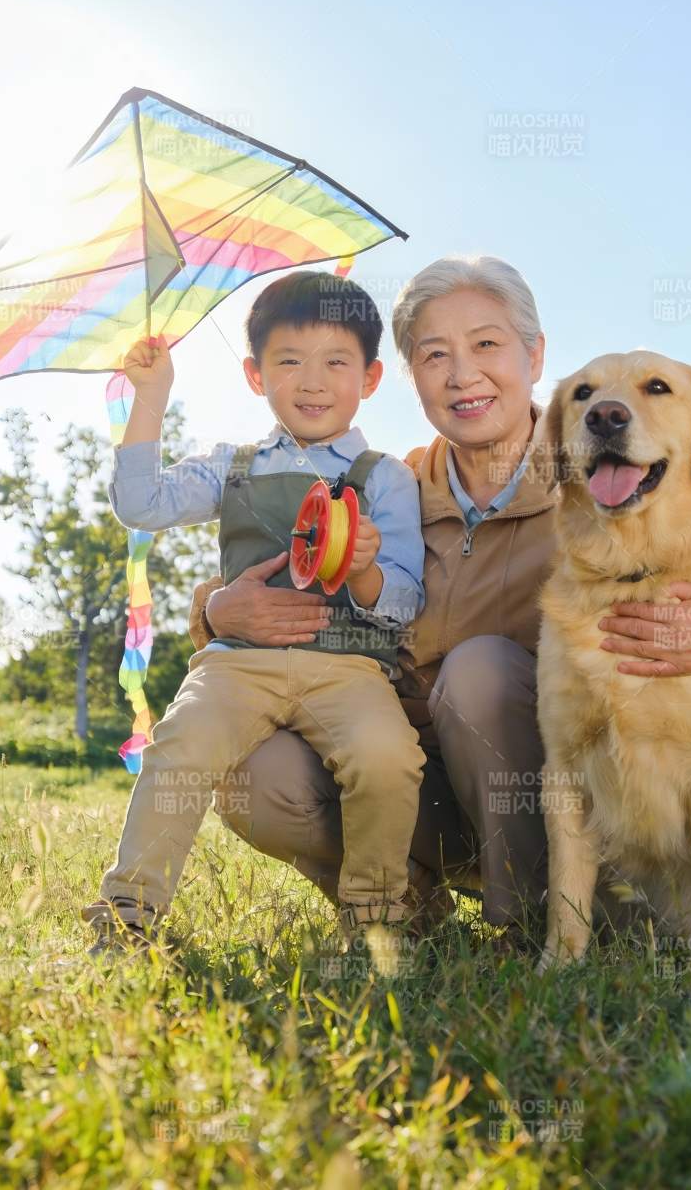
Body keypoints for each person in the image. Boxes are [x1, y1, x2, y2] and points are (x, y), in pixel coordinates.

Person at [188, 255, 691, 944]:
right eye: (435, 355)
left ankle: (541, 924)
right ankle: (407, 904)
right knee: (255, 771)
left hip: (544, 795)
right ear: (411, 378)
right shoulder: (384, 491)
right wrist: (215, 611)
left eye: (486, 344)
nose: (463, 374)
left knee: (480, 670)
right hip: (415, 783)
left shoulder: (605, 480)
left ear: (535, 354)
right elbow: (281, 567)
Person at [83, 271, 429, 960]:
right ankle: (128, 914)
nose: (312, 381)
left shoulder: (385, 476)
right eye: (288, 362)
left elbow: (405, 600)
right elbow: (141, 505)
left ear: (371, 376)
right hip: (235, 665)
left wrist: (361, 567)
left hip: (350, 668)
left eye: (336, 362)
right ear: (253, 373)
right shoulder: (230, 467)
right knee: (179, 751)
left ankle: (377, 920)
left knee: (388, 759)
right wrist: (150, 399)